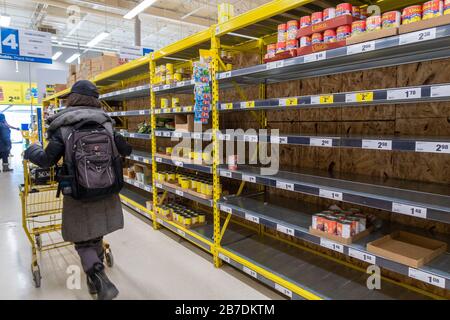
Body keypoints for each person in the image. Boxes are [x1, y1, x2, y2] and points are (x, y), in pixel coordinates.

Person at [24, 80, 132, 300]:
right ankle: (94, 283)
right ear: (95, 100)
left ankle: (98, 276)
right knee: (97, 234)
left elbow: (46, 160)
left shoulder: (62, 126)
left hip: (78, 191)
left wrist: (30, 150)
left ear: (72, 99)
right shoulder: (107, 124)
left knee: (82, 240)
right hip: (107, 188)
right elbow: (126, 150)